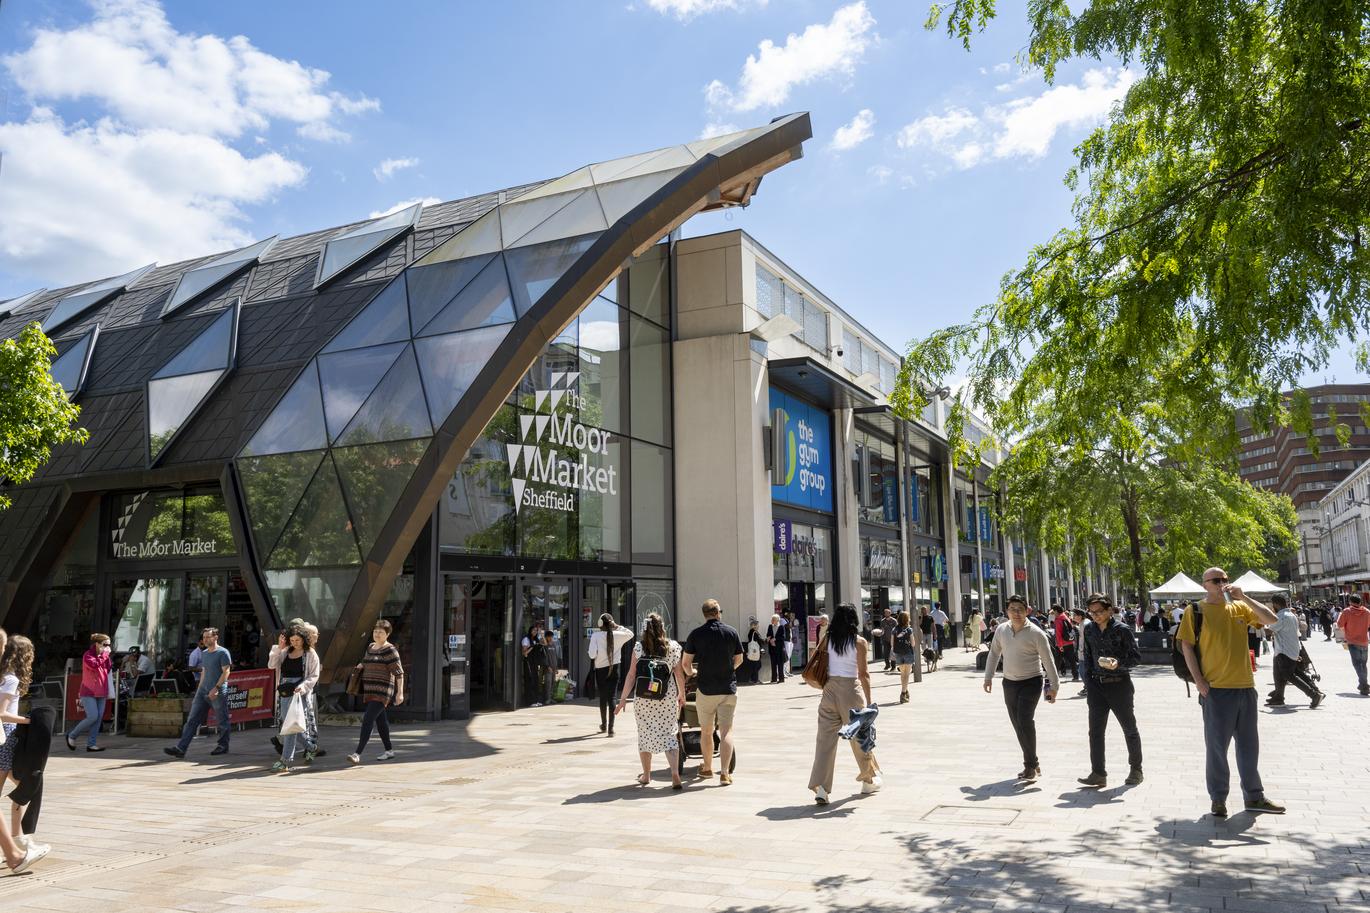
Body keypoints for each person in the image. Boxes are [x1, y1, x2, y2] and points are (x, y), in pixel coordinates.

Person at [1177, 568, 1285, 817]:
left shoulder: (1239, 607)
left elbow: (1272, 620)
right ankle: (1218, 798)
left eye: (1225, 579)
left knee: (1249, 747)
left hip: (1245, 687)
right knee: (1217, 748)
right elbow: (1187, 646)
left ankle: (1254, 796)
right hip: (1216, 690)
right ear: (1205, 585)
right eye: (1217, 580)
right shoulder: (1196, 611)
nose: (1223, 583)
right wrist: (1199, 682)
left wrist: (1244, 597)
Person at [808, 602, 880, 804]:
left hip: (829, 690)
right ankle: (868, 780)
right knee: (860, 737)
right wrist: (869, 700)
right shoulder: (859, 642)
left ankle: (821, 788)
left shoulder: (827, 639)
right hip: (851, 689)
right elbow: (864, 674)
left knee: (824, 741)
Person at [983, 595, 1059, 781]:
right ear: (1007, 611)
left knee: (1024, 721)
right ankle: (1032, 762)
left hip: (1031, 682)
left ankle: (1030, 766)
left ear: (1027, 611)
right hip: (1009, 682)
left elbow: (1048, 661)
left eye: (1020, 609)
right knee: (1017, 724)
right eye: (1012, 609)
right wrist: (988, 677)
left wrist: (1054, 686)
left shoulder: (1036, 633)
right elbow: (994, 654)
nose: (1016, 613)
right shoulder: (1001, 630)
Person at [1077, 594, 1143, 787]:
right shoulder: (1089, 629)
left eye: (1099, 611)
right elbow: (1087, 656)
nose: (1095, 615)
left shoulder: (1122, 630)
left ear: (1109, 610)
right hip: (1096, 686)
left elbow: (1136, 658)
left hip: (1119, 684)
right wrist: (1088, 681)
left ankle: (1136, 769)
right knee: (1095, 732)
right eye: (1092, 612)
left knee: (1129, 729)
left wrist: (1118, 664)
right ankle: (1098, 772)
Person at [615, 612, 686, 789]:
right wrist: (682, 694)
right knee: (669, 734)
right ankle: (674, 773)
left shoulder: (639, 647)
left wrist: (623, 699)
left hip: (644, 697)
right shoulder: (673, 647)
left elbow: (631, 675)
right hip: (666, 696)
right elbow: (679, 674)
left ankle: (646, 775)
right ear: (663, 627)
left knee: (645, 734)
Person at [0, 630, 47, 874]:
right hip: (5, 738)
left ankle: (17, 842)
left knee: (25, 787)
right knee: (27, 786)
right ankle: (16, 848)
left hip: (6, 736)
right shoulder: (11, 679)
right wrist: (30, 721)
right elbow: (2, 712)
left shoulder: (4, 677)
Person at [682, 599, 744, 784]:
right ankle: (724, 773)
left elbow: (686, 663)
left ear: (704, 614)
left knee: (706, 732)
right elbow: (739, 659)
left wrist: (692, 672)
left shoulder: (696, 634)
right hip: (727, 689)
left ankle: (707, 768)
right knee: (726, 731)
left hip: (706, 689)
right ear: (718, 612)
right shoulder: (731, 632)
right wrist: (729, 669)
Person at [164, 628, 232, 759]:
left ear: (216, 637)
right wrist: (199, 690)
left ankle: (223, 746)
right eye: (204, 637)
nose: (205, 640)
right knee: (192, 720)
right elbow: (204, 672)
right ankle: (181, 748)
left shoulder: (223, 653)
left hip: (217, 691)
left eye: (208, 637)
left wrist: (216, 688)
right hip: (202, 691)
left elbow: (226, 672)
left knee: (222, 720)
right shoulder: (205, 653)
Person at [348, 619, 405, 764]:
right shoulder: (371, 647)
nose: (377, 634)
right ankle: (389, 750)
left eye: (380, 632)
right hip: (370, 689)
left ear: (387, 634)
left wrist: (400, 693)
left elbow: (399, 673)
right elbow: (366, 661)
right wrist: (359, 667)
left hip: (383, 691)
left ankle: (357, 753)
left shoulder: (390, 650)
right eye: (375, 631)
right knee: (381, 721)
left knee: (368, 719)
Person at [267, 625, 320, 772]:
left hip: (299, 693)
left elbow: (314, 676)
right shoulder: (284, 652)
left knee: (290, 725)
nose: (295, 643)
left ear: (304, 639)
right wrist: (279, 648)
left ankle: (285, 760)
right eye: (292, 640)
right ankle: (311, 747)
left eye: (298, 640)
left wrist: (303, 687)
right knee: (290, 725)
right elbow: (272, 665)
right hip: (285, 692)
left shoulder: (310, 654)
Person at [1267, 594, 1323, 708]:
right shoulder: (1291, 615)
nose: (1272, 607)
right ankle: (1278, 697)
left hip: (1285, 650)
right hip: (1288, 649)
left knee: (1289, 675)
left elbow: (1269, 631)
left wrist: (1257, 622)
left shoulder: (1281, 616)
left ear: (1276, 604)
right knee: (1279, 674)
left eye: (1273, 605)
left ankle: (1314, 694)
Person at [587, 614, 634, 735]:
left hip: (600, 670)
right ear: (611, 623)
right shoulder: (618, 635)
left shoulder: (596, 636)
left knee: (603, 698)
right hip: (614, 669)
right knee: (612, 697)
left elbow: (592, 655)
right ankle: (611, 728)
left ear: (600, 625)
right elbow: (630, 633)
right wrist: (617, 626)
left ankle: (603, 724)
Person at [66, 633, 112, 752]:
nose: (107, 647)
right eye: (105, 644)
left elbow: (108, 668)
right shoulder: (88, 655)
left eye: (109, 645)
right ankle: (72, 735)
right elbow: (94, 665)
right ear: (97, 644)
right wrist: (105, 654)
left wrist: (106, 655)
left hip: (101, 691)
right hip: (88, 691)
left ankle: (91, 744)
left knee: (98, 718)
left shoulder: (104, 656)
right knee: (92, 716)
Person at [1336, 594, 1370, 695]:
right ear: (1360, 602)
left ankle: (1364, 685)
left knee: (1357, 664)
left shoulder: (1346, 611)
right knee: (1363, 665)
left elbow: (1339, 624)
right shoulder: (1367, 612)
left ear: (1350, 602)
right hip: (1364, 641)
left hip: (1352, 642)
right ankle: (1362, 684)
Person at [891, 611, 917, 703]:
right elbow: (913, 643)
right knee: (907, 674)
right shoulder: (909, 629)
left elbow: (892, 643)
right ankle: (903, 693)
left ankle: (905, 690)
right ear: (907, 619)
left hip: (898, 653)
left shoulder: (894, 629)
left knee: (903, 674)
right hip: (908, 653)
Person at [521, 622, 546, 706]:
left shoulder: (536, 639)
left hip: (535, 663)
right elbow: (524, 653)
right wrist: (532, 647)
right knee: (530, 680)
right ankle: (530, 701)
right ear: (530, 631)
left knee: (535, 681)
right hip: (528, 662)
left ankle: (535, 700)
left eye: (536, 630)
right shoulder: (526, 639)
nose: (535, 632)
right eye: (533, 630)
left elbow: (545, 643)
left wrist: (542, 635)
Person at [1051, 606, 1077, 681]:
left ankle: (1054, 677)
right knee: (1072, 660)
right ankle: (1075, 676)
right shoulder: (1066, 617)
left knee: (1057, 660)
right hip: (1069, 642)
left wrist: (1060, 645)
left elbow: (1058, 634)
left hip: (1061, 643)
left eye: (1054, 611)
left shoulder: (1058, 620)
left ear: (1056, 611)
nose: (1053, 613)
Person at [766, 613, 790, 683]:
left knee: (780, 664)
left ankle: (781, 679)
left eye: (773, 619)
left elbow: (783, 637)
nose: (772, 621)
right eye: (772, 619)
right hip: (772, 648)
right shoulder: (770, 626)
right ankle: (773, 679)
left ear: (777, 620)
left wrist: (775, 639)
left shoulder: (781, 627)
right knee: (773, 664)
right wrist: (769, 639)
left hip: (779, 648)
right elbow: (768, 634)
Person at [742, 618, 765, 685]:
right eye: (757, 625)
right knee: (757, 665)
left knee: (754, 665)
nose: (758, 626)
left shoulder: (750, 632)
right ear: (754, 626)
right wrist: (765, 640)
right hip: (756, 651)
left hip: (752, 651)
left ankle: (752, 679)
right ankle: (755, 679)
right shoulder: (754, 632)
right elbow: (760, 640)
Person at [877, 607, 896, 672]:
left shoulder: (894, 621)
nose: (885, 614)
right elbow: (882, 630)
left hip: (892, 640)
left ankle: (893, 666)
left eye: (887, 612)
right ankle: (887, 664)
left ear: (890, 613)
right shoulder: (882, 621)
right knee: (886, 653)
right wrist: (879, 633)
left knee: (892, 653)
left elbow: (896, 629)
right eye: (885, 612)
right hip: (885, 639)